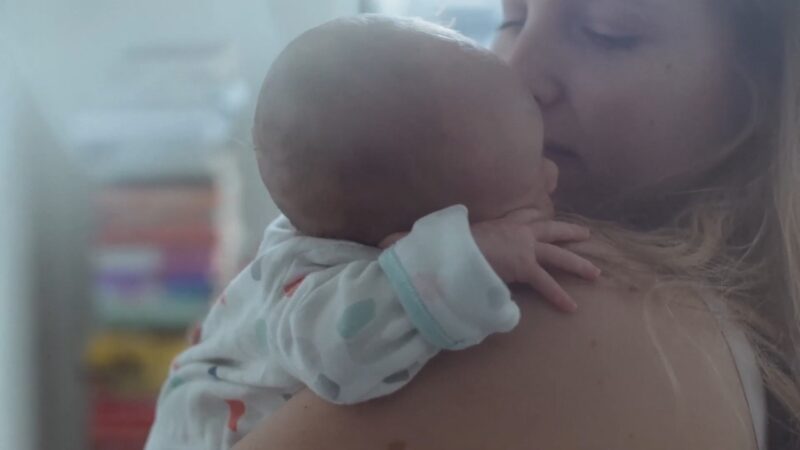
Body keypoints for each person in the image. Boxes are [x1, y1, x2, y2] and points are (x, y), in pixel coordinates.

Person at [233, 0, 800, 449]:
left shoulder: (584, 313)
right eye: (513, 16)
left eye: (609, 32)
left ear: (765, 81)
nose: (517, 70)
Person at [144, 16, 601, 450]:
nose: (552, 175)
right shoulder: (316, 287)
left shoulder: (354, 225)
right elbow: (341, 362)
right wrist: (469, 259)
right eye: (527, 175)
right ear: (409, 245)